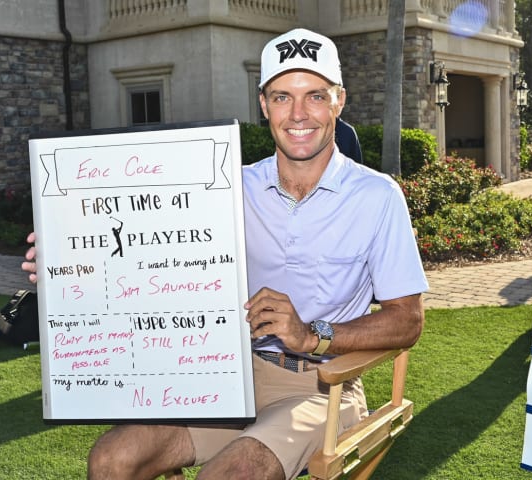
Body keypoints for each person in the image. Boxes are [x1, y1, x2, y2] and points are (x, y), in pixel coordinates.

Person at [22, 28, 428, 480]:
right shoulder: (226, 187)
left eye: (315, 96)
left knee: (227, 475)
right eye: (281, 97)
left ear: (339, 101)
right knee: (112, 459)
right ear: (262, 105)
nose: (298, 114)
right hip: (221, 378)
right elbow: (141, 252)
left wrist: (313, 335)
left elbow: (407, 320)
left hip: (319, 387)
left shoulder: (376, 196)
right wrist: (68, 260)